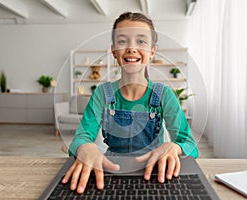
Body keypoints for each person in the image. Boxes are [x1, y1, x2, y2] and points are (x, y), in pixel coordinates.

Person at [62, 11, 198, 194]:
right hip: (110, 172)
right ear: (114, 51)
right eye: (122, 41)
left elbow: (189, 144)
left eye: (141, 41)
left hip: (155, 173)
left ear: (152, 52)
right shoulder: (102, 94)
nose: (131, 48)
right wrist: (85, 146)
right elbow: (82, 136)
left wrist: (175, 147)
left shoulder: (164, 95)